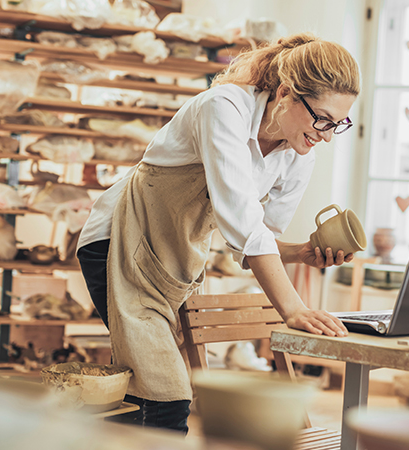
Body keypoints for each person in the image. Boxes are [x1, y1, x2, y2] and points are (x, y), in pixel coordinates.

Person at [76, 32, 360, 433]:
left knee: (147, 392)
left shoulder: (298, 154)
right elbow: (244, 225)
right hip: (118, 245)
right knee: (163, 394)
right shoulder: (223, 107)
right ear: (285, 93)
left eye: (339, 124)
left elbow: (254, 241)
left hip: (173, 265)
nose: (327, 135)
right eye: (322, 119)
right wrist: (294, 309)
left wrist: (302, 253)